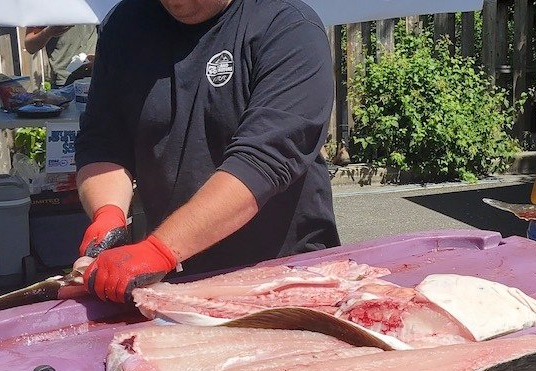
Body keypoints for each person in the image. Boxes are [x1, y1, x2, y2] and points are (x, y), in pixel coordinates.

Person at [74, 0, 340, 303]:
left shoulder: (288, 26)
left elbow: (261, 163)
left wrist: (160, 248)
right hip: (174, 275)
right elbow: (103, 139)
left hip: (283, 274)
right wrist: (107, 212)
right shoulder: (126, 23)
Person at [23, 25, 99, 87]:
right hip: (64, 82)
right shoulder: (46, 7)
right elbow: (30, 46)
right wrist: (48, 32)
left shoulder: (98, 6)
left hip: (97, 78)